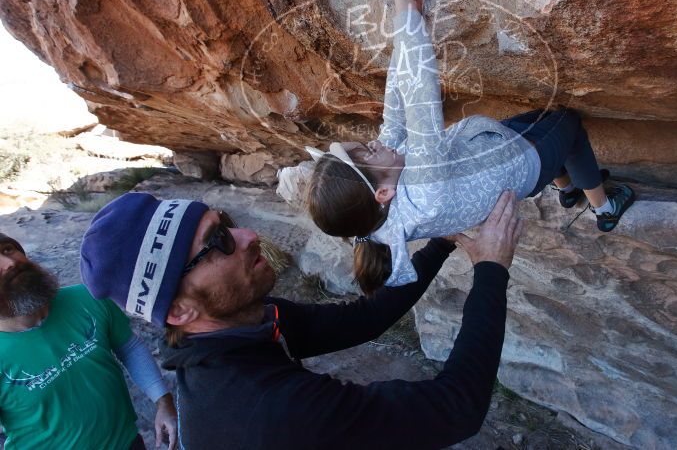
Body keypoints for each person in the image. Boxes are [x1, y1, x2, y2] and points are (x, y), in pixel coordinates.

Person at [79, 188, 522, 449]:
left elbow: (365, 320)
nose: (248, 235)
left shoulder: (243, 324)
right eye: (218, 241)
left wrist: (441, 244)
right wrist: (490, 269)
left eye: (226, 222)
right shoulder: (269, 409)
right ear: (179, 310)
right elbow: (457, 407)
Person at [306, 0, 635, 294]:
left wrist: (408, 19)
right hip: (520, 162)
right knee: (568, 125)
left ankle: (567, 191)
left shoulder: (378, 207)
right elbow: (419, 96)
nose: (373, 142)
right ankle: (604, 207)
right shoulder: (424, 191)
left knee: (549, 129)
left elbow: (396, 110)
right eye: (366, 152)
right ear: (384, 193)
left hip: (494, 149)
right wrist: (404, 10)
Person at [0, 233, 177, 450]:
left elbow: (129, 347)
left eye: (8, 249)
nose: (10, 263)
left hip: (127, 443)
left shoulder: (87, 298)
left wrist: (163, 401)